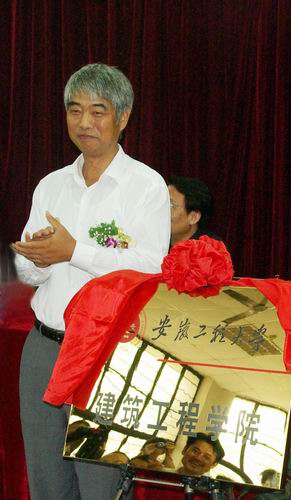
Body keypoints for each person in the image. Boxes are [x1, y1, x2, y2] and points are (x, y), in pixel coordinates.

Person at [12, 63, 170, 499]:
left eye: (98, 111)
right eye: (75, 110)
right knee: (46, 481)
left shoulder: (146, 186)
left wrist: (73, 251)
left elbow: (149, 269)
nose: (84, 122)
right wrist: (36, 258)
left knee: (101, 484)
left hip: (107, 353)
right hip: (44, 347)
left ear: (123, 117)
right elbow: (30, 273)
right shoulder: (51, 185)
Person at [168, 175, 223, 246]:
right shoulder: (158, 240)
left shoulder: (209, 249)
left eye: (171, 206)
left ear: (193, 217)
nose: (161, 210)